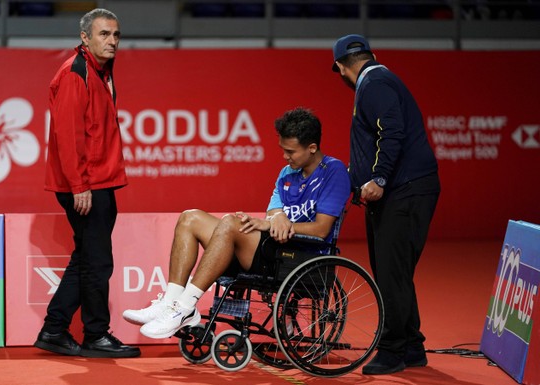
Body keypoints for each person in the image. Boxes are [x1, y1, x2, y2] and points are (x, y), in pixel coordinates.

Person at [122, 107, 351, 339]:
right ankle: (171, 301)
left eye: (291, 151)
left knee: (231, 223)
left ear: (312, 148)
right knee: (189, 218)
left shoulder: (334, 171)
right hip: (271, 248)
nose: (285, 157)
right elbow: (273, 210)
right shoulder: (287, 173)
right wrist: (276, 217)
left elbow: (322, 229)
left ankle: (184, 308)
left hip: (300, 256)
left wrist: (276, 224)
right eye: (283, 150)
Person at [331, 34, 441, 375]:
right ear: (371, 54)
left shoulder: (374, 83)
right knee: (395, 273)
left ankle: (393, 350)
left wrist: (378, 178)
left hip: (403, 191)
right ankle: (411, 345)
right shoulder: (379, 79)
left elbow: (391, 132)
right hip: (403, 191)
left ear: (340, 68)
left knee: (392, 274)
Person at [34, 8, 140, 359]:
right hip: (87, 185)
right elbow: (68, 137)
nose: (112, 41)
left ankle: (54, 328)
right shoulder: (75, 73)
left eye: (116, 35)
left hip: (99, 181)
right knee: (97, 262)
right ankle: (96, 335)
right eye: (104, 34)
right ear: (85, 38)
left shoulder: (101, 70)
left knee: (86, 259)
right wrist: (80, 185)